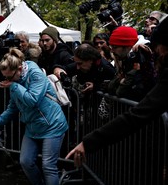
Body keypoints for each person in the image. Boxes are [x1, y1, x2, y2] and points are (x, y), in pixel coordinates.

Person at [66, 16, 168, 169]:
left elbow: (136, 111)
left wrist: (89, 142)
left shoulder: (141, 61)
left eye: (158, 46)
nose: (110, 49)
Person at [0, 48, 69, 185]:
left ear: (19, 70)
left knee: (48, 165)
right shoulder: (14, 81)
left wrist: (14, 85)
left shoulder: (34, 74)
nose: (6, 80)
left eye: (9, 76)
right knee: (25, 161)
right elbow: (13, 106)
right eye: (5, 77)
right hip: (33, 127)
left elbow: (32, 100)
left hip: (52, 125)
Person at [108, 26, 156, 102]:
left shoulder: (142, 56)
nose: (112, 51)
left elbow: (122, 92)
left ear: (127, 46)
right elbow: (112, 88)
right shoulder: (126, 57)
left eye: (115, 47)